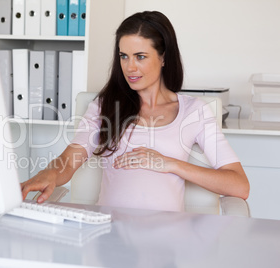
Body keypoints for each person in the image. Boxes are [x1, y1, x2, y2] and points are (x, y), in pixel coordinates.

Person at [21, 11, 249, 211]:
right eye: (124, 56)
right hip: (110, 237)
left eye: (140, 56)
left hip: (166, 243)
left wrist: (170, 164)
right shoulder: (104, 105)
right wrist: (49, 174)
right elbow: (70, 160)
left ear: (163, 58)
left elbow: (239, 184)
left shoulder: (193, 111)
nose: (130, 67)